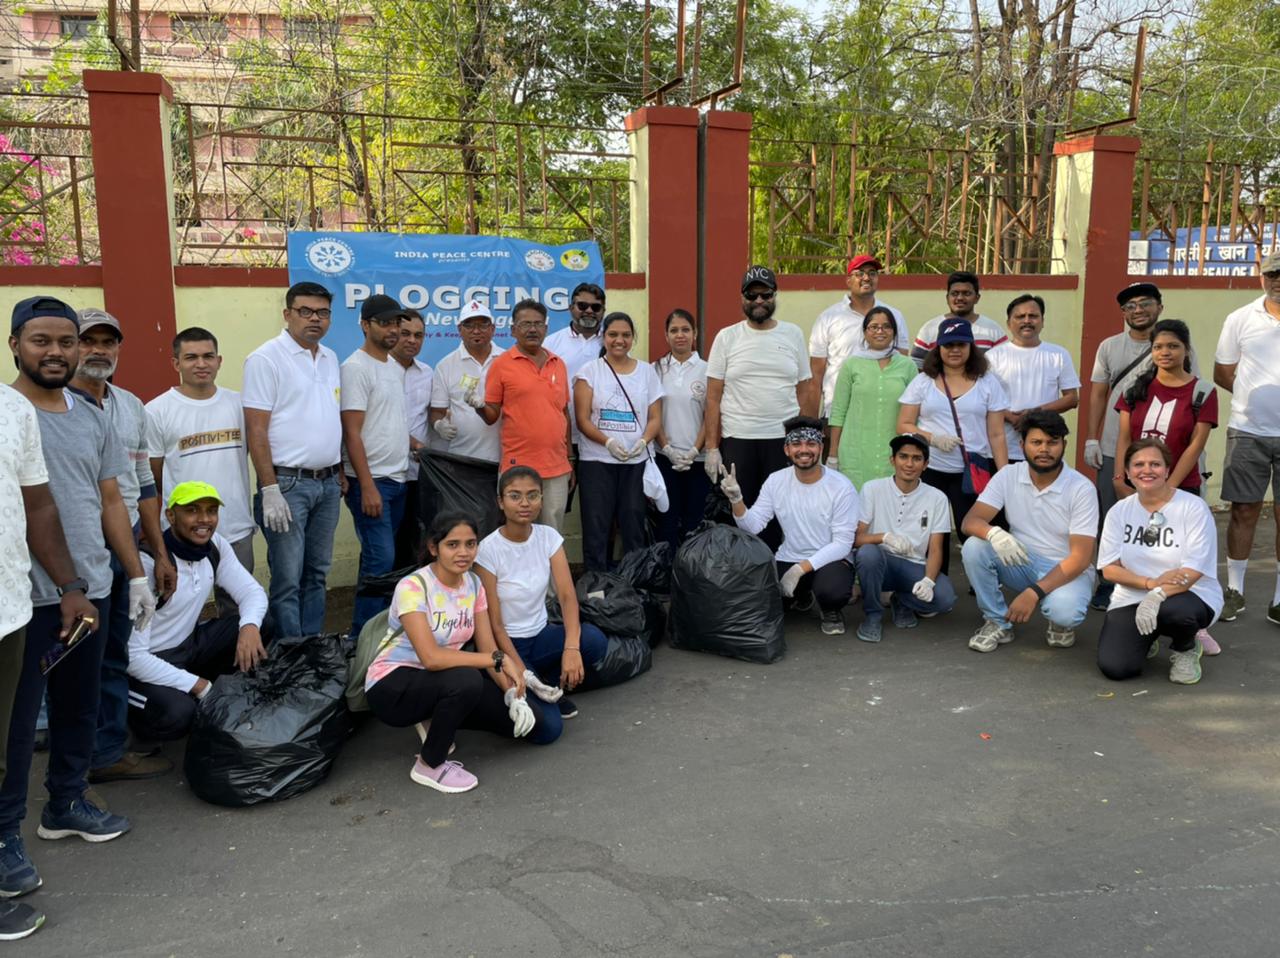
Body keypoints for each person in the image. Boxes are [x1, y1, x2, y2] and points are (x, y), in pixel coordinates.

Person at [1, 296, 154, 899]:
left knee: (79, 702)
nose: (59, 352)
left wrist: (133, 572)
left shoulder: (93, 416)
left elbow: (112, 499)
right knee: (15, 723)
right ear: (16, 344)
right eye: (42, 341)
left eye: (68, 342)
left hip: (91, 589)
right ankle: (7, 830)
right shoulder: (10, 414)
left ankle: (65, 802)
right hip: (28, 597)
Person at [366, 511, 561, 795]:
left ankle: (435, 716)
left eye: (471, 544)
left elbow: (488, 647)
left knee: (544, 728)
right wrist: (497, 660)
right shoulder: (413, 587)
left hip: (444, 681)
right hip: (393, 687)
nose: (464, 552)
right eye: (453, 544)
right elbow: (432, 658)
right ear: (434, 548)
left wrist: (512, 695)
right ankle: (430, 763)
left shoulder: (474, 584)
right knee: (466, 679)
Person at [0, 379, 96, 937]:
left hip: (9, 610)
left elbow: (37, 504)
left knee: (7, 743)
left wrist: (70, 584)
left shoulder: (11, 409)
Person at [70, 308, 175, 782]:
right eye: (87, 340)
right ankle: (68, 755)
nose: (98, 350)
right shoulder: (49, 406)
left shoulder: (130, 406)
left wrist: (158, 553)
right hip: (69, 554)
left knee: (114, 650)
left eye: (107, 342)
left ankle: (106, 751)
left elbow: (143, 485)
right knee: (68, 656)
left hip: (123, 550)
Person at [1084, 281, 1200, 610]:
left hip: (1164, 453)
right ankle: (1108, 582)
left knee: (1167, 524)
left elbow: (1195, 393)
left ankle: (1169, 584)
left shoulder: (1176, 345)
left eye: (1145, 303)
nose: (1138, 310)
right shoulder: (1108, 347)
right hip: (1115, 447)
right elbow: (1098, 393)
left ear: (1159, 307)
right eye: (1130, 305)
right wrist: (1092, 437)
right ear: (1123, 313)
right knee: (1113, 517)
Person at [125, 482, 268, 743]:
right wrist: (200, 685)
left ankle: (225, 694)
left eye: (211, 511)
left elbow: (252, 592)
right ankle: (127, 723)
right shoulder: (149, 565)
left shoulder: (214, 546)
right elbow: (134, 658)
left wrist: (249, 627)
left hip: (187, 648)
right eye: (192, 510)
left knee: (264, 623)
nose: (204, 519)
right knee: (179, 714)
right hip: (143, 666)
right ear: (171, 516)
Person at [243, 281, 343, 639]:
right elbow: (256, 429)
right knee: (287, 577)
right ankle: (290, 652)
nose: (314, 319)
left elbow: (330, 419)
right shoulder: (265, 359)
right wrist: (269, 487)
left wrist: (340, 471)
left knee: (317, 572)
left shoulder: (330, 358)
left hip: (328, 484)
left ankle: (312, 647)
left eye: (322, 312)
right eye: (306, 311)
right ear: (287, 314)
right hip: (287, 486)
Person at [476, 467, 613, 722]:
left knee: (593, 640)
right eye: (514, 496)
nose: (524, 503)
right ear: (500, 502)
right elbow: (495, 625)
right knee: (549, 727)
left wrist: (571, 648)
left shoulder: (548, 537)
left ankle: (548, 679)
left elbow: (567, 596)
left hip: (540, 636)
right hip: (508, 644)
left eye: (533, 495)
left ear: (542, 498)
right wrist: (523, 673)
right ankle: (531, 682)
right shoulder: (488, 550)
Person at [960, 410, 1097, 652]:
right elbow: (971, 521)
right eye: (1036, 442)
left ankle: (1059, 622)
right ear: (1023, 445)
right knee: (974, 546)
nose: (1044, 449)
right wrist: (995, 534)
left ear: (1064, 445)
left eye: (1052, 442)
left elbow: (1081, 557)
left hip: (1067, 568)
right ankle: (997, 621)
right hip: (1021, 559)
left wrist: (1033, 593)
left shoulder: (1081, 488)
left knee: (1064, 612)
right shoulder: (1008, 475)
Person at [145, 326, 255, 613]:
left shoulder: (239, 404)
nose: (201, 364)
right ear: (176, 363)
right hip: (183, 532)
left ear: (219, 361)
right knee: (176, 608)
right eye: (191, 357)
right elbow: (153, 475)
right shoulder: (157, 410)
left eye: (208, 356)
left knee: (236, 609)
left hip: (236, 527)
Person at [1096, 439, 1222, 685]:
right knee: (1116, 667)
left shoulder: (1192, 508)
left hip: (1189, 596)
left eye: (1155, 464)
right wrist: (1150, 583)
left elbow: (1193, 571)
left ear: (1167, 470)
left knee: (1176, 612)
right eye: (1138, 464)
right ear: (1129, 472)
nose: (1147, 470)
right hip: (1133, 596)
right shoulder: (1119, 511)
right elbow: (1109, 569)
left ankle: (1186, 647)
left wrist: (1157, 594)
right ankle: (1147, 636)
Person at [704, 266, 811, 550]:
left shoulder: (794, 334)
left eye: (766, 294)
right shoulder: (727, 337)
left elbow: (804, 389)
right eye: (753, 295)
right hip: (739, 438)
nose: (760, 301)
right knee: (739, 510)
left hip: (782, 441)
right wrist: (712, 448)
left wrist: (805, 439)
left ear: (775, 296)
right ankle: (741, 580)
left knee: (780, 512)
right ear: (743, 298)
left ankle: (775, 577)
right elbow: (713, 397)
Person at [721, 416, 859, 635]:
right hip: (788, 556)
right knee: (759, 594)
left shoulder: (841, 486)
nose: (804, 450)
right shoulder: (776, 481)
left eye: (811, 444)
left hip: (831, 560)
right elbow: (753, 526)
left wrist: (799, 569)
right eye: (797, 444)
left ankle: (830, 609)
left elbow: (843, 543)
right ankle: (801, 595)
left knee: (831, 590)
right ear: (787, 449)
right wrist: (736, 500)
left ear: (821, 448)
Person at [896, 318, 1009, 574]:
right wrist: (931, 437)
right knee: (930, 531)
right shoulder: (924, 381)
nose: (954, 350)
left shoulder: (987, 382)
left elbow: (997, 434)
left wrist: (1003, 475)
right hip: (931, 469)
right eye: (948, 345)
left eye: (961, 344)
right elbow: (903, 424)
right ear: (938, 349)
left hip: (971, 471)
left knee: (972, 530)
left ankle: (983, 586)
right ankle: (934, 581)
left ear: (971, 347)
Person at [1213, 250, 1280, 626]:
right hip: (1248, 431)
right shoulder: (1240, 319)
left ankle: (1279, 599)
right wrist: (1251, 399)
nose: (1278, 280)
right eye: (1272, 274)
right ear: (1261, 277)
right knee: (1243, 510)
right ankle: (1235, 592)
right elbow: (1223, 371)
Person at [342, 294, 411, 636]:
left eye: (397, 323)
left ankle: (378, 632)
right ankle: (360, 639)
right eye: (385, 323)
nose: (393, 330)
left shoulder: (392, 367)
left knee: (380, 562)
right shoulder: (355, 368)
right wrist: (366, 485)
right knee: (381, 562)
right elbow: (352, 432)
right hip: (372, 483)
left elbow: (388, 421)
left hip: (397, 480)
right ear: (365, 325)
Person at [573, 311, 664, 571]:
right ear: (603, 337)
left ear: (633, 338)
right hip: (597, 462)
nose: (619, 340)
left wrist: (644, 441)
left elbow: (655, 417)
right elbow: (582, 420)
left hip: (635, 463)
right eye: (613, 334)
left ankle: (634, 589)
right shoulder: (589, 372)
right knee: (596, 527)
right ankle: (596, 590)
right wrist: (608, 442)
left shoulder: (647, 372)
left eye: (625, 335)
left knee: (634, 525)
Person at [474, 300, 573, 531]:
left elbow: (563, 412)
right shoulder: (501, 365)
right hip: (517, 465)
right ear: (513, 330)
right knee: (519, 529)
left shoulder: (558, 364)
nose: (532, 329)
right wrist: (478, 406)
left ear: (546, 329)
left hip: (557, 467)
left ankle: (550, 570)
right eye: (525, 323)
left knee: (552, 531)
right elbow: (491, 416)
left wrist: (570, 459)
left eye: (538, 324)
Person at [853, 433, 958, 642]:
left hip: (914, 565)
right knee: (867, 554)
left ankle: (902, 600)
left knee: (945, 599)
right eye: (903, 456)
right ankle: (873, 615)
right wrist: (884, 537)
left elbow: (937, 548)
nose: (909, 464)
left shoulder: (937, 498)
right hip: (879, 563)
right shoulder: (872, 489)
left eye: (917, 458)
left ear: (926, 464)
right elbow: (856, 539)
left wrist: (928, 580)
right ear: (893, 460)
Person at [827, 306, 918, 489]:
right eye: (873, 326)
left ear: (894, 332)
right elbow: (838, 412)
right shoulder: (851, 364)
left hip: (893, 453)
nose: (880, 331)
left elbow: (916, 414)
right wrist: (833, 455)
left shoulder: (907, 366)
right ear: (864, 332)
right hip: (855, 452)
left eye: (886, 326)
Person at [808, 254, 908, 417]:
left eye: (872, 273)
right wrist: (810, 424)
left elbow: (902, 366)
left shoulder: (894, 316)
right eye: (860, 273)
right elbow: (816, 375)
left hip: (883, 411)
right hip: (839, 411)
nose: (866, 278)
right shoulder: (828, 318)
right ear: (848, 280)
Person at [984, 294, 1081, 462]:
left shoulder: (1058, 354)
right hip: (1002, 451)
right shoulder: (992, 357)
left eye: (1033, 316)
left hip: (1045, 450)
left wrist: (1033, 415)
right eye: (1020, 316)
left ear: (1042, 321)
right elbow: (982, 399)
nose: (1027, 321)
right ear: (1009, 323)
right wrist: (1011, 417)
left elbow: (1072, 399)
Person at [653, 308, 710, 551]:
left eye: (685, 329)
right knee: (666, 519)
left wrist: (695, 451)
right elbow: (653, 414)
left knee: (693, 522)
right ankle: (665, 576)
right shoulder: (655, 369)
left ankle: (691, 576)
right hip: (665, 458)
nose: (680, 335)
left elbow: (711, 416)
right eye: (674, 330)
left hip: (698, 460)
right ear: (666, 335)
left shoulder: (708, 369)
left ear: (694, 333)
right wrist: (667, 447)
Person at [428, 299, 501, 464]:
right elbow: (437, 412)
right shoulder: (445, 365)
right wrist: (439, 425)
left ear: (493, 329)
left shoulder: (507, 360)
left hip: (505, 457)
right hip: (462, 458)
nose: (476, 331)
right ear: (459, 329)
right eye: (469, 325)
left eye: (483, 325)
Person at [391, 309, 432, 568]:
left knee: (416, 541)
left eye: (418, 335)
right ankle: (381, 606)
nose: (412, 340)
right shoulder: (377, 370)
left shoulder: (427, 373)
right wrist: (412, 443)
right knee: (384, 547)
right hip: (385, 473)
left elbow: (433, 415)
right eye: (405, 333)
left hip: (418, 474)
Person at [911, 271, 1006, 368]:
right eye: (955, 293)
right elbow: (916, 366)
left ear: (977, 298)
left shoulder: (994, 330)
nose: (960, 298)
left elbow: (1005, 365)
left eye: (966, 293)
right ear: (947, 298)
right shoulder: (929, 329)